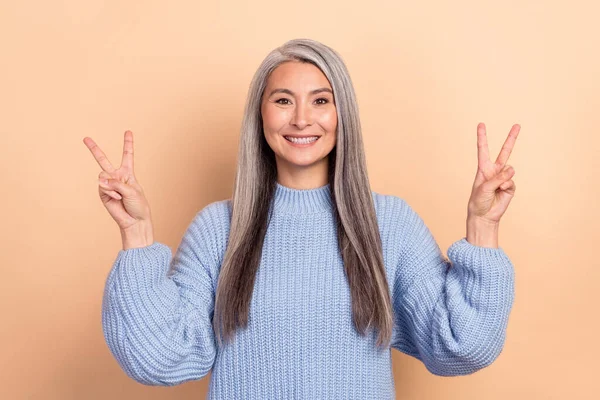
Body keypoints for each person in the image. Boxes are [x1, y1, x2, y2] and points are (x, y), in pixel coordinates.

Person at [83, 38, 519, 399]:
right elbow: (161, 357)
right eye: (283, 100)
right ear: (262, 114)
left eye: (321, 100)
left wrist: (483, 227)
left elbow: (461, 346)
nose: (302, 119)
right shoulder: (219, 229)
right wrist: (136, 233)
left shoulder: (390, 224)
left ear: (341, 113)